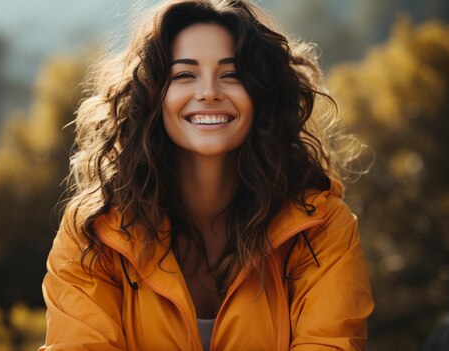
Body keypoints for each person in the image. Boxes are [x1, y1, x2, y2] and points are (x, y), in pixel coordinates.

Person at [39, 0, 374, 350]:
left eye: (232, 74)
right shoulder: (95, 232)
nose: (210, 92)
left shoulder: (322, 228)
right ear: (152, 95)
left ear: (261, 93)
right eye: (185, 74)